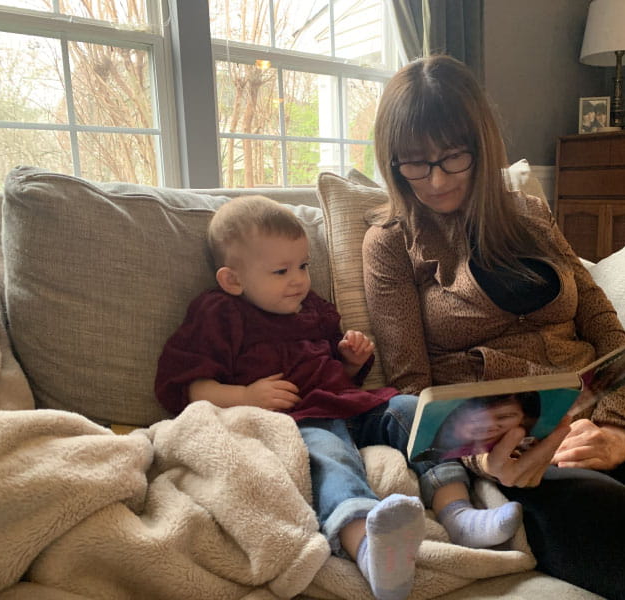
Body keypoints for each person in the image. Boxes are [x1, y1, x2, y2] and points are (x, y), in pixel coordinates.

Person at [362, 54, 625, 600]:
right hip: (514, 450)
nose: (437, 180)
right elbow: (410, 390)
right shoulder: (389, 243)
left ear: (483, 146)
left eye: (453, 157)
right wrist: (479, 453)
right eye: (414, 164)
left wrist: (616, 425)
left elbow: (607, 330)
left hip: (604, 410)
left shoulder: (531, 217)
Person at [154, 195, 523, 600]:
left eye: (303, 266)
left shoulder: (309, 307)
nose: (298, 279)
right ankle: (366, 545)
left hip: (348, 403)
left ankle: (460, 515)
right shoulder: (219, 314)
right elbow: (187, 387)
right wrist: (245, 395)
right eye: (281, 271)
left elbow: (334, 371)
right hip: (302, 419)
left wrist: (349, 360)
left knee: (414, 409)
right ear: (233, 280)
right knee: (331, 455)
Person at [415, 392, 540, 462]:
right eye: (476, 419)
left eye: (504, 417)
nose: (488, 426)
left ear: (524, 419)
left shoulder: (526, 442)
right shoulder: (448, 453)